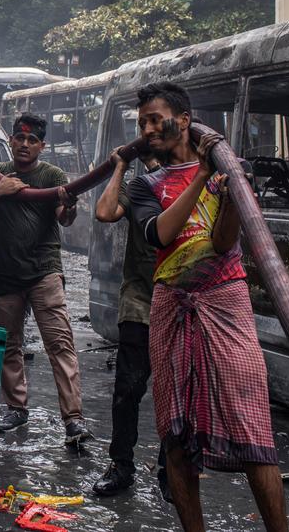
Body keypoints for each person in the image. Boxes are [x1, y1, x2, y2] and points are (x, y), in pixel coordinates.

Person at [126, 82, 287, 531]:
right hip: (170, 306)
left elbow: (223, 242)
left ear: (184, 117)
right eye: (142, 122)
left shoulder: (230, 170)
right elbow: (159, 235)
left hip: (226, 300)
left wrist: (234, 189)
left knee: (252, 426)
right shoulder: (145, 185)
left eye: (157, 118)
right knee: (175, 435)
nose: (149, 128)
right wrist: (201, 178)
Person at [0, 114, 92, 446]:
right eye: (20, 138)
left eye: (32, 140)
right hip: (6, 272)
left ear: (42, 146)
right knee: (9, 344)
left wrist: (69, 207)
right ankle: (16, 408)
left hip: (44, 270)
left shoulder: (51, 174)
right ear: (11, 140)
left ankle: (74, 419)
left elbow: (64, 219)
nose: (24, 144)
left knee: (60, 343)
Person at [92, 145, 163, 496]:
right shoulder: (138, 185)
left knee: (176, 394)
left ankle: (171, 467)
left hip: (181, 305)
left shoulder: (191, 180)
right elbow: (104, 212)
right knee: (127, 390)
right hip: (140, 302)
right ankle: (121, 465)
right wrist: (121, 166)